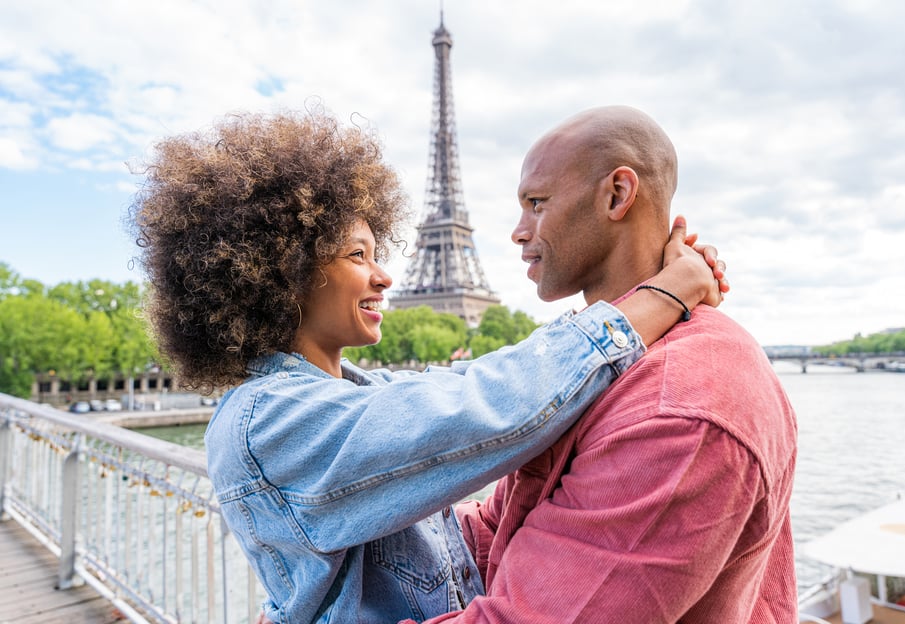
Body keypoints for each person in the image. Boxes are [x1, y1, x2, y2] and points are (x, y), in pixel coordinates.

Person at [130, 109, 725, 624]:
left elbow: (477, 386)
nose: (385, 275)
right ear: (287, 273)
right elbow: (492, 406)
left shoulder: (357, 394)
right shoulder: (270, 424)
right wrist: (667, 294)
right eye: (357, 255)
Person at [409, 106, 798, 623]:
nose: (518, 232)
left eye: (537, 204)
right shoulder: (612, 368)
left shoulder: (680, 410)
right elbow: (497, 529)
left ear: (617, 195)